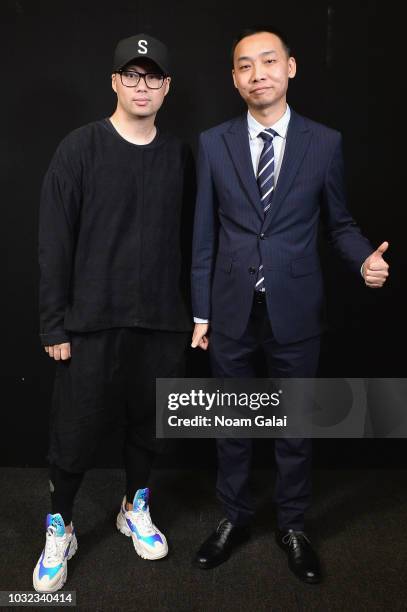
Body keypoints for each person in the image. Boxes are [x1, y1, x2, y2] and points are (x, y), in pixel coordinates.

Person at [190, 27, 389, 583]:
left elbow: (340, 223)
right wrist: (200, 313)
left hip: (297, 309)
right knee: (232, 423)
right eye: (245, 66)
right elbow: (202, 235)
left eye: (269, 62)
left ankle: (295, 524)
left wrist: (362, 260)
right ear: (234, 79)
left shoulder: (324, 143)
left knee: (294, 425)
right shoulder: (212, 143)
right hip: (230, 310)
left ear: (291, 68)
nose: (258, 74)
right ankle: (234, 517)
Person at [34, 33, 195, 592]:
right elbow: (55, 240)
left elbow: (196, 240)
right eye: (132, 75)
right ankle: (62, 525)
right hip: (90, 322)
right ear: (114, 82)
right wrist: (54, 322)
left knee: (149, 429)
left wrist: (195, 315)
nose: (142, 85)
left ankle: (134, 507)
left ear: (167, 87)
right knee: (74, 434)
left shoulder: (179, 155)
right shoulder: (79, 149)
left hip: (161, 322)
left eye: (152, 76)